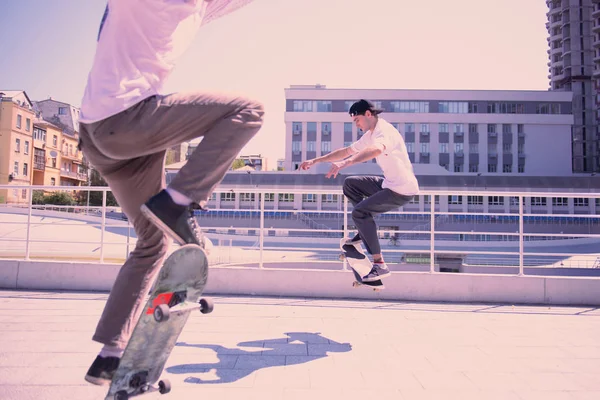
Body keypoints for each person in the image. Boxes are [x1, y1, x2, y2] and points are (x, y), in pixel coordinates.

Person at [78, 0, 263, 385]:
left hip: (103, 139)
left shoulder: (196, 7)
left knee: (152, 243)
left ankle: (111, 353)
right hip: (129, 121)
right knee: (248, 110)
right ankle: (177, 202)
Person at [300, 99, 419, 282]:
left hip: (401, 190)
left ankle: (380, 265)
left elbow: (375, 150)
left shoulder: (384, 132)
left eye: (357, 120)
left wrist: (347, 163)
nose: (356, 125)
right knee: (350, 184)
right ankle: (365, 228)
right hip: (389, 183)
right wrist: (316, 160)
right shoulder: (370, 133)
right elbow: (347, 150)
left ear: (368, 114)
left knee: (359, 212)